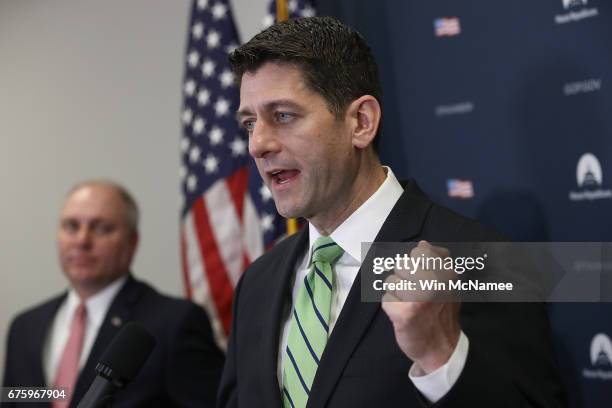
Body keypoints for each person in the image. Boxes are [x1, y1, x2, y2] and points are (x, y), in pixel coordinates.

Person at [218, 16, 566, 407]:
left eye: (283, 115)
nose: (257, 144)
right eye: (249, 123)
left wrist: (441, 358)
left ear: (361, 123)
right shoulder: (258, 282)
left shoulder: (484, 264)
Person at [3, 180, 224, 407]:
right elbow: (17, 399)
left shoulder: (174, 323)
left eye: (102, 228)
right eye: (71, 226)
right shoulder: (25, 328)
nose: (82, 240)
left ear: (132, 242)